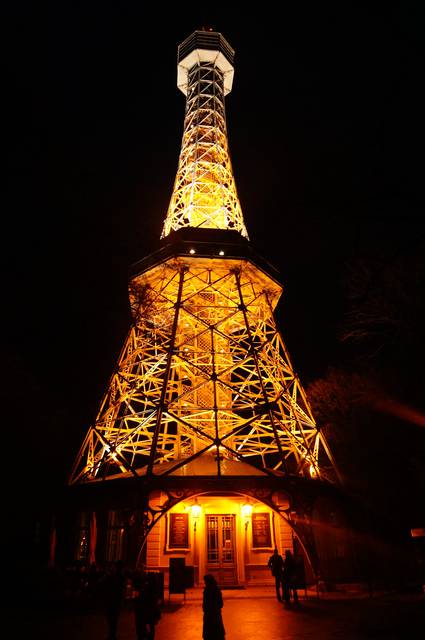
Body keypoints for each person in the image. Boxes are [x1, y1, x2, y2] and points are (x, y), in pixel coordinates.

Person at [101, 560, 127, 640]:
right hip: (115, 601)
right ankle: (112, 634)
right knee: (113, 619)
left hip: (112, 601)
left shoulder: (115, 576)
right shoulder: (119, 577)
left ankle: (112, 634)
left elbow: (107, 586)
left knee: (112, 619)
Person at [133, 570, 162, 640]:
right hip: (152, 609)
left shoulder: (147, 587)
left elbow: (144, 598)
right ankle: (150, 636)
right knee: (151, 625)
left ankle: (147, 635)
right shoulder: (154, 587)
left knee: (146, 623)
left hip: (148, 609)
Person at [202, 574, 225, 640]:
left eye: (205, 581)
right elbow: (221, 604)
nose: (205, 583)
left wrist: (206, 610)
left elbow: (205, 604)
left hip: (208, 616)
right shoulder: (217, 590)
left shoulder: (206, 591)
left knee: (208, 634)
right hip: (216, 615)